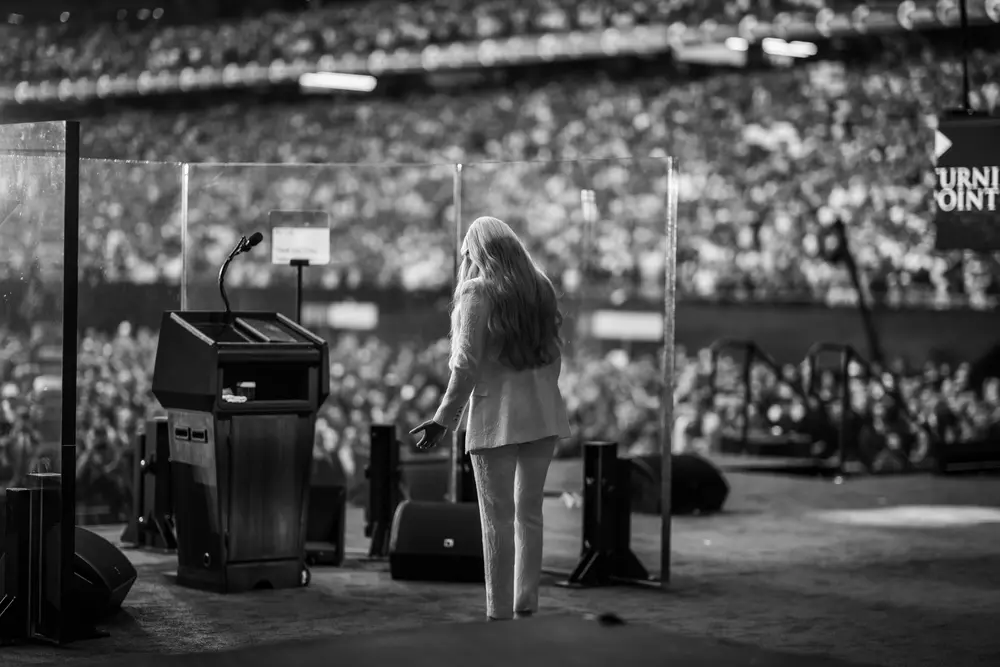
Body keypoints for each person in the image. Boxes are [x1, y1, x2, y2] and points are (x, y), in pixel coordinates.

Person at [411, 216, 571, 622]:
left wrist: (443, 420)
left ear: (477, 252)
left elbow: (464, 367)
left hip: (495, 419)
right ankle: (526, 602)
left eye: (466, 251)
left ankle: (497, 611)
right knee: (529, 513)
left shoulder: (477, 293)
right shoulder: (542, 287)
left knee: (495, 520)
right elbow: (555, 356)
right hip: (543, 414)